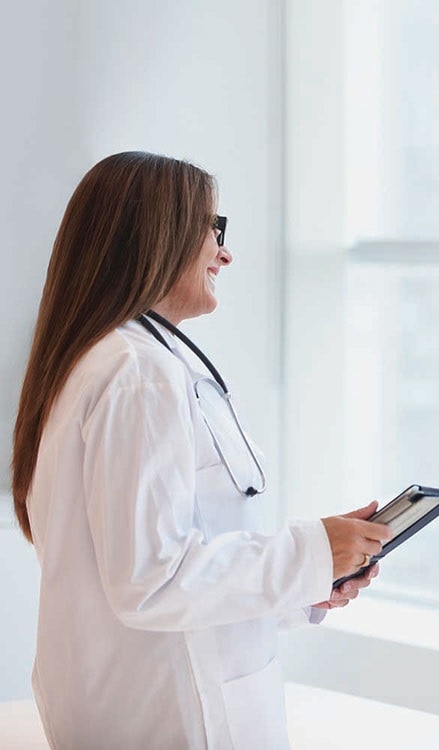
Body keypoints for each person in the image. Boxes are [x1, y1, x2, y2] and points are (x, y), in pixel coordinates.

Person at [12, 151, 392, 750]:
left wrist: (307, 582)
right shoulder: (139, 372)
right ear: (157, 235)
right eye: (214, 228)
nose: (225, 251)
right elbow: (150, 580)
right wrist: (311, 550)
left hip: (148, 696)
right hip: (166, 716)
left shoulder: (122, 359)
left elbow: (172, 560)